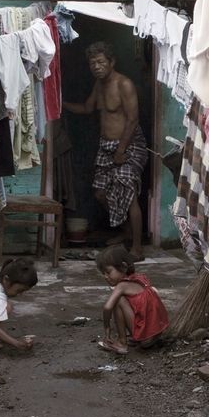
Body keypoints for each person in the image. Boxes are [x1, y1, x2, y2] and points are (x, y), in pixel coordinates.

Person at [63, 42, 148, 259]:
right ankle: (126, 231)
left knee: (129, 195)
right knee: (100, 192)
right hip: (106, 145)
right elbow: (87, 108)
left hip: (129, 144)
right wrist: (60, 104)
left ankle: (137, 248)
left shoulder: (124, 84)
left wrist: (121, 150)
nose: (97, 67)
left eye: (101, 62)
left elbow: (132, 119)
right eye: (93, 63)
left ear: (112, 62)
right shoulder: (99, 85)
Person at [96, 244, 169, 355]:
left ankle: (121, 343)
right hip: (156, 333)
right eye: (103, 273)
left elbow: (107, 307)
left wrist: (107, 328)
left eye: (108, 272)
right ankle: (138, 337)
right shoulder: (139, 278)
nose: (105, 276)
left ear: (124, 266)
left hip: (146, 338)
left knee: (118, 300)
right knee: (124, 300)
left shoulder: (122, 286)